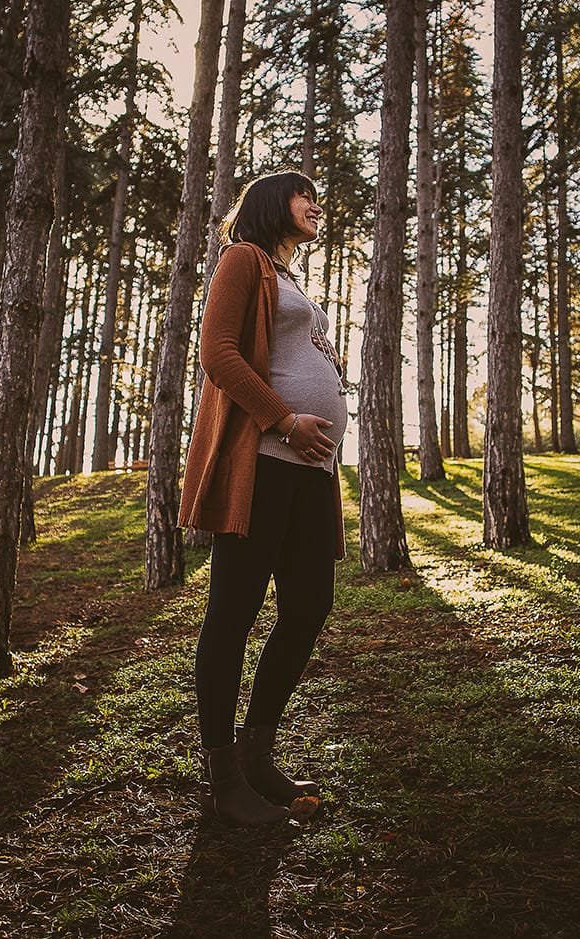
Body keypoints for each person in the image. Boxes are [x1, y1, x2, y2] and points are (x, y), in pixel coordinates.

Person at [179, 170, 349, 826]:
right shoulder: (241, 259)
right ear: (274, 203)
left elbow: (283, 349)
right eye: (306, 194)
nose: (316, 204)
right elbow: (219, 354)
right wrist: (284, 418)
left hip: (311, 472)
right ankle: (224, 781)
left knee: (309, 604)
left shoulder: (291, 278)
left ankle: (257, 755)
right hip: (265, 463)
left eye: (318, 196)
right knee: (233, 612)